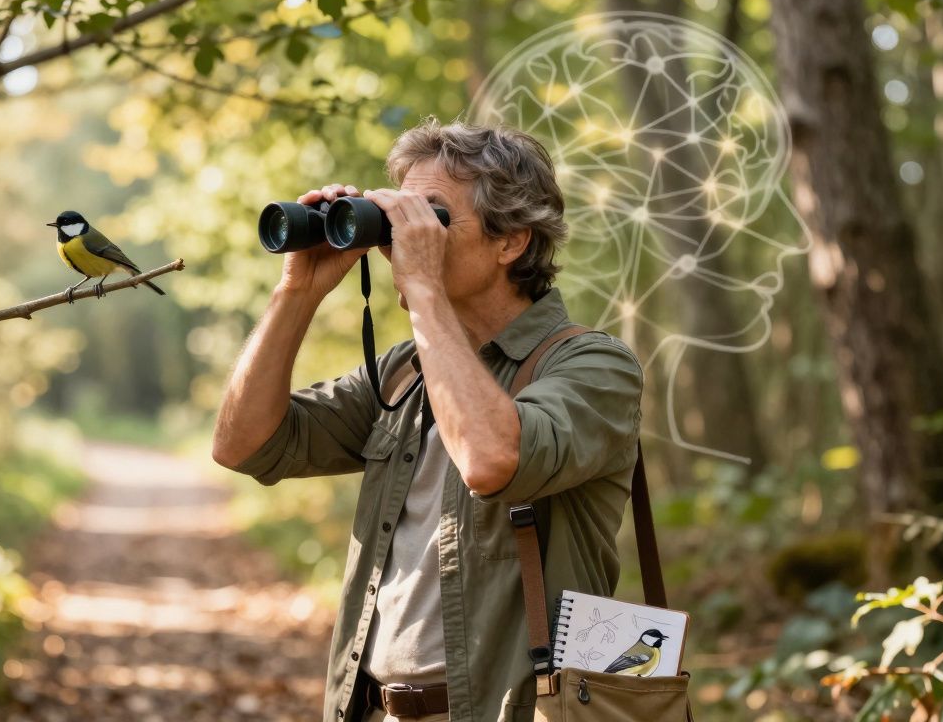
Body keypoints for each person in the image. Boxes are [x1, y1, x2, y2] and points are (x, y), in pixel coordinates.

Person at [211, 118, 644, 722]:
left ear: (510, 240)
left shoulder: (593, 366)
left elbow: (493, 460)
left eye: (431, 216)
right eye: (400, 216)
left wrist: (423, 288)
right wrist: (298, 291)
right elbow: (243, 445)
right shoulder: (404, 373)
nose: (405, 239)